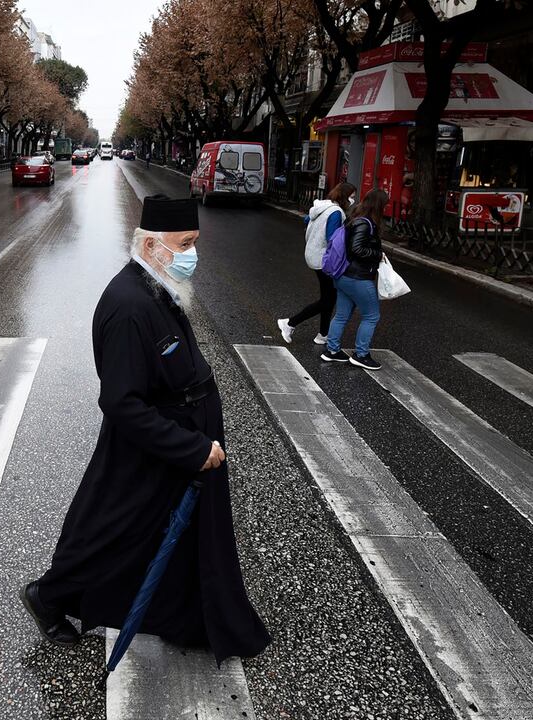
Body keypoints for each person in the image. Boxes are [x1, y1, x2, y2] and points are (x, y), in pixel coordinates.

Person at [22, 195, 271, 664]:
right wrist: (191, 448)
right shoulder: (128, 305)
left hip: (176, 442)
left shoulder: (154, 285)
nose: (192, 254)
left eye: (195, 242)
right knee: (113, 531)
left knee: (161, 534)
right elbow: (121, 402)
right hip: (157, 446)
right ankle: (47, 595)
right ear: (153, 245)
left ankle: (190, 616)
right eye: (185, 244)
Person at [277, 182, 357, 346]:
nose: (353, 200)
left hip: (313, 254)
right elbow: (332, 239)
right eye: (352, 196)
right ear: (344, 196)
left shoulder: (323, 207)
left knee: (328, 297)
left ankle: (323, 334)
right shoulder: (336, 212)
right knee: (328, 300)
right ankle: (290, 323)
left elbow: (307, 219)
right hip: (324, 260)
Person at [321, 188, 388, 371]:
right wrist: (378, 254)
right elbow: (357, 249)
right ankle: (361, 354)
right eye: (385, 204)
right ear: (379, 205)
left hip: (344, 276)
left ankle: (332, 351)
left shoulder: (355, 219)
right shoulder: (365, 224)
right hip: (358, 277)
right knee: (371, 315)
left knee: (342, 315)